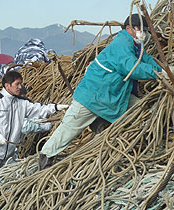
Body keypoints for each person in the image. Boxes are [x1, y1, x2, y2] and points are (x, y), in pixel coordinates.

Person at [39, 14, 162, 170]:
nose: (143, 33)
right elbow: (132, 68)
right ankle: (46, 157)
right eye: (140, 29)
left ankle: (125, 143)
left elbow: (145, 59)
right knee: (68, 130)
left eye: (144, 30)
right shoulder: (122, 44)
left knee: (141, 110)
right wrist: (159, 73)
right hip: (92, 96)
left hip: (111, 95)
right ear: (129, 28)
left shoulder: (135, 44)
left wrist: (164, 67)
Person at [0, 71, 68, 191]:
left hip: (10, 154)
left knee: (5, 185)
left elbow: (39, 109)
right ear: (7, 85)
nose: (20, 87)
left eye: (20, 84)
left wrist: (55, 107)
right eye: (17, 84)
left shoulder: (23, 103)